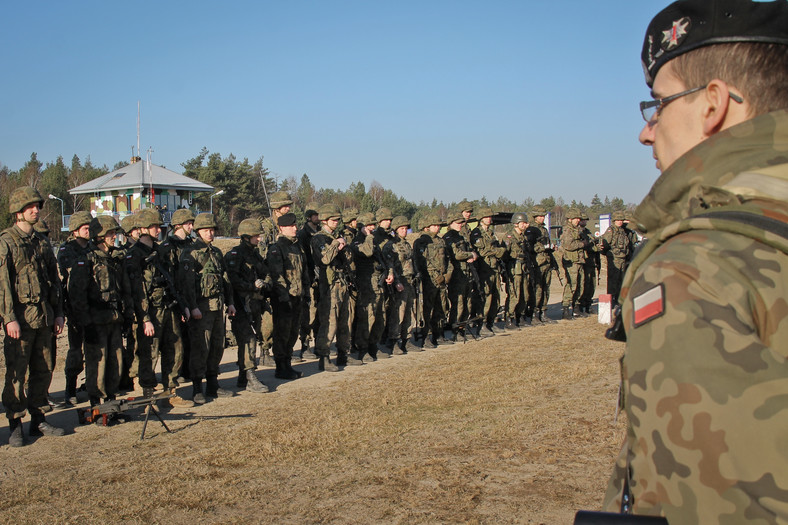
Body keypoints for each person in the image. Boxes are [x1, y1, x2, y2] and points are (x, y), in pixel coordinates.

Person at [601, 1, 788, 522]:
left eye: (658, 105)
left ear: (712, 104)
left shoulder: (696, 267)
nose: (646, 131)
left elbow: (708, 501)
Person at [1, 187, 66, 446]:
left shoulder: (41, 241)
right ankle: (15, 422)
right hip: (21, 319)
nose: (36, 210)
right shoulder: (6, 242)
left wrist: (59, 313)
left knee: (44, 369)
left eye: (37, 206)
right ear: (18, 212)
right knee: (17, 372)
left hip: (44, 317)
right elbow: (3, 284)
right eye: (30, 207)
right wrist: (8, 318)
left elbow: (54, 280)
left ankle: (38, 418)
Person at [126, 208, 194, 407]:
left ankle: (170, 391)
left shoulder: (160, 252)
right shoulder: (134, 256)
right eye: (154, 226)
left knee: (174, 348)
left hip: (168, 307)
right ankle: (148, 394)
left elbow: (171, 281)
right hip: (149, 312)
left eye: (159, 226)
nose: (158, 229)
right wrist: (144, 318)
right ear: (143, 228)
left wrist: (182, 307)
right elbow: (135, 290)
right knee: (149, 353)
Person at [68, 216, 130, 407]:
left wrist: (127, 315)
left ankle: (111, 401)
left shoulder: (115, 259)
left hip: (114, 318)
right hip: (95, 321)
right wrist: (86, 323)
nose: (114, 237)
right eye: (110, 233)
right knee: (97, 363)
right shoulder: (86, 260)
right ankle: (96, 403)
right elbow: (77, 295)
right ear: (100, 236)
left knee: (116, 361)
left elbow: (124, 290)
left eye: (114, 233)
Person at [179, 213, 235, 404]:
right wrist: (192, 307)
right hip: (201, 309)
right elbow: (186, 284)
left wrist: (231, 302)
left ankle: (213, 383)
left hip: (217, 307)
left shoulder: (217, 252)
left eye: (212, 230)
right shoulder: (191, 253)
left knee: (217, 346)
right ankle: (197, 388)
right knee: (200, 348)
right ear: (198, 231)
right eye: (206, 230)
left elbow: (225, 279)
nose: (210, 233)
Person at [311, 204, 361, 370]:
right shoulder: (318, 238)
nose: (336, 222)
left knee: (345, 320)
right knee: (329, 321)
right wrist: (336, 245)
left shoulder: (337, 236)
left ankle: (343, 354)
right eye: (333, 220)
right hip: (329, 285)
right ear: (325, 220)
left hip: (343, 283)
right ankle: (324, 357)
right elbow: (325, 259)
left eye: (338, 220)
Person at [224, 218, 271, 393]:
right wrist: (251, 286)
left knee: (252, 338)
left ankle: (243, 376)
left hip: (255, 304)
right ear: (246, 236)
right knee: (248, 339)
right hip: (239, 304)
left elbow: (266, 271)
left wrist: (264, 283)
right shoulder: (234, 256)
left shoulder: (255, 254)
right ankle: (250, 376)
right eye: (256, 236)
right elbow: (233, 281)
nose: (259, 239)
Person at [266, 212, 308, 380]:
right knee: (282, 333)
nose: (295, 228)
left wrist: (305, 292)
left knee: (292, 333)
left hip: (297, 296)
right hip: (284, 299)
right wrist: (284, 298)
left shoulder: (297, 247)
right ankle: (280, 366)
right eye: (291, 225)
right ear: (282, 228)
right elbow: (277, 276)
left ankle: (288, 364)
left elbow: (303, 272)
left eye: (295, 225)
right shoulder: (277, 248)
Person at [57, 210, 93, 406]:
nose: (89, 232)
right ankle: (69, 389)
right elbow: (67, 279)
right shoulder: (66, 250)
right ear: (76, 230)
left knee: (93, 349)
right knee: (75, 351)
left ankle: (89, 385)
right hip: (75, 309)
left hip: (92, 307)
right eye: (85, 228)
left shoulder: (92, 248)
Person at [160, 208, 195, 383]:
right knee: (177, 339)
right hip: (177, 297)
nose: (191, 226)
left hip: (191, 295)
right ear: (178, 225)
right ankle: (177, 372)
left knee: (191, 337)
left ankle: (188, 369)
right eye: (188, 223)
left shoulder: (191, 244)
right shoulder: (168, 247)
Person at [413, 213, 452, 348]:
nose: (437, 228)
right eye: (434, 225)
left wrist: (447, 274)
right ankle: (426, 335)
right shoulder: (421, 242)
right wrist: (433, 275)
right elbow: (420, 262)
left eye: (438, 225)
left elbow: (447, 259)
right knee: (428, 309)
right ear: (427, 227)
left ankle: (438, 333)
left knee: (441, 307)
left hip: (442, 280)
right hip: (429, 280)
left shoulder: (441, 241)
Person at [382, 215, 420, 352]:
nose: (404, 231)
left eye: (406, 228)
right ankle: (394, 339)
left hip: (409, 280)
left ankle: (406, 338)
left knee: (409, 310)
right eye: (401, 228)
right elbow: (389, 265)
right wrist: (396, 281)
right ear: (396, 230)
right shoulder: (391, 245)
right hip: (399, 281)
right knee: (398, 311)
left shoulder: (406, 244)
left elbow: (411, 262)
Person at [470, 207, 506, 336]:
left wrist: (498, 251)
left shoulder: (491, 233)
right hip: (484, 269)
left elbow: (498, 249)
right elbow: (481, 252)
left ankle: (491, 322)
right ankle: (482, 323)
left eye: (490, 217)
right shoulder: (476, 233)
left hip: (494, 268)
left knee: (496, 296)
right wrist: (497, 251)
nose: (489, 219)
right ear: (481, 219)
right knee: (485, 296)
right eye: (486, 217)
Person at [442, 212, 478, 340]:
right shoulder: (448, 238)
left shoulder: (461, 236)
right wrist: (470, 255)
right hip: (456, 275)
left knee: (467, 302)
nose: (460, 225)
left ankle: (462, 327)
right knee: (458, 303)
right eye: (457, 223)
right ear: (450, 223)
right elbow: (456, 254)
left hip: (466, 273)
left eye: (461, 223)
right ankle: (455, 328)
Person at [297, 205, 320, 360]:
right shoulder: (303, 234)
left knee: (318, 312)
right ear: (310, 217)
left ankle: (318, 343)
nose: (318, 218)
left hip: (318, 277)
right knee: (307, 314)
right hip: (308, 278)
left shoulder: (318, 233)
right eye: (315, 215)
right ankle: (305, 346)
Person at [597, 211, 632, 306]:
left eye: (621, 220)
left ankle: (618, 299)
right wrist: (609, 254)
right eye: (618, 220)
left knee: (621, 279)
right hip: (614, 258)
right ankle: (611, 300)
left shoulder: (623, 231)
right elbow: (605, 244)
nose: (620, 222)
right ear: (614, 221)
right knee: (613, 280)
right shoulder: (611, 230)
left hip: (623, 258)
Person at [559, 208, 587, 320]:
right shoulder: (567, 231)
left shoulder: (578, 230)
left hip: (579, 260)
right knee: (571, 284)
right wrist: (582, 244)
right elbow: (568, 246)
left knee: (580, 284)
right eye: (576, 218)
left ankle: (576, 308)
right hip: (571, 262)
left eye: (579, 218)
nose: (578, 220)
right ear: (570, 219)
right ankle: (566, 309)